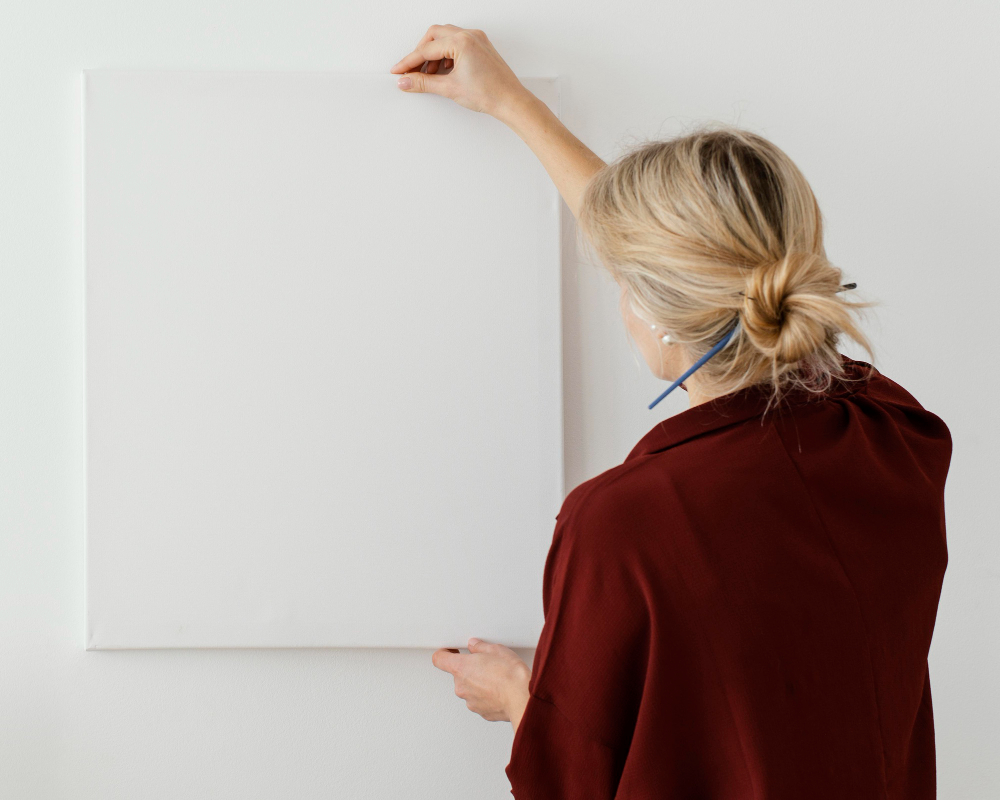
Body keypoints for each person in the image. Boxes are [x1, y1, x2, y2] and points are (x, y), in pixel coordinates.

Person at [391, 26, 952, 800]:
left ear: (655, 310)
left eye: (624, 279)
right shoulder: (899, 437)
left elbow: (574, 781)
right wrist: (514, 105)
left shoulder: (623, 524)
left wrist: (518, 700)